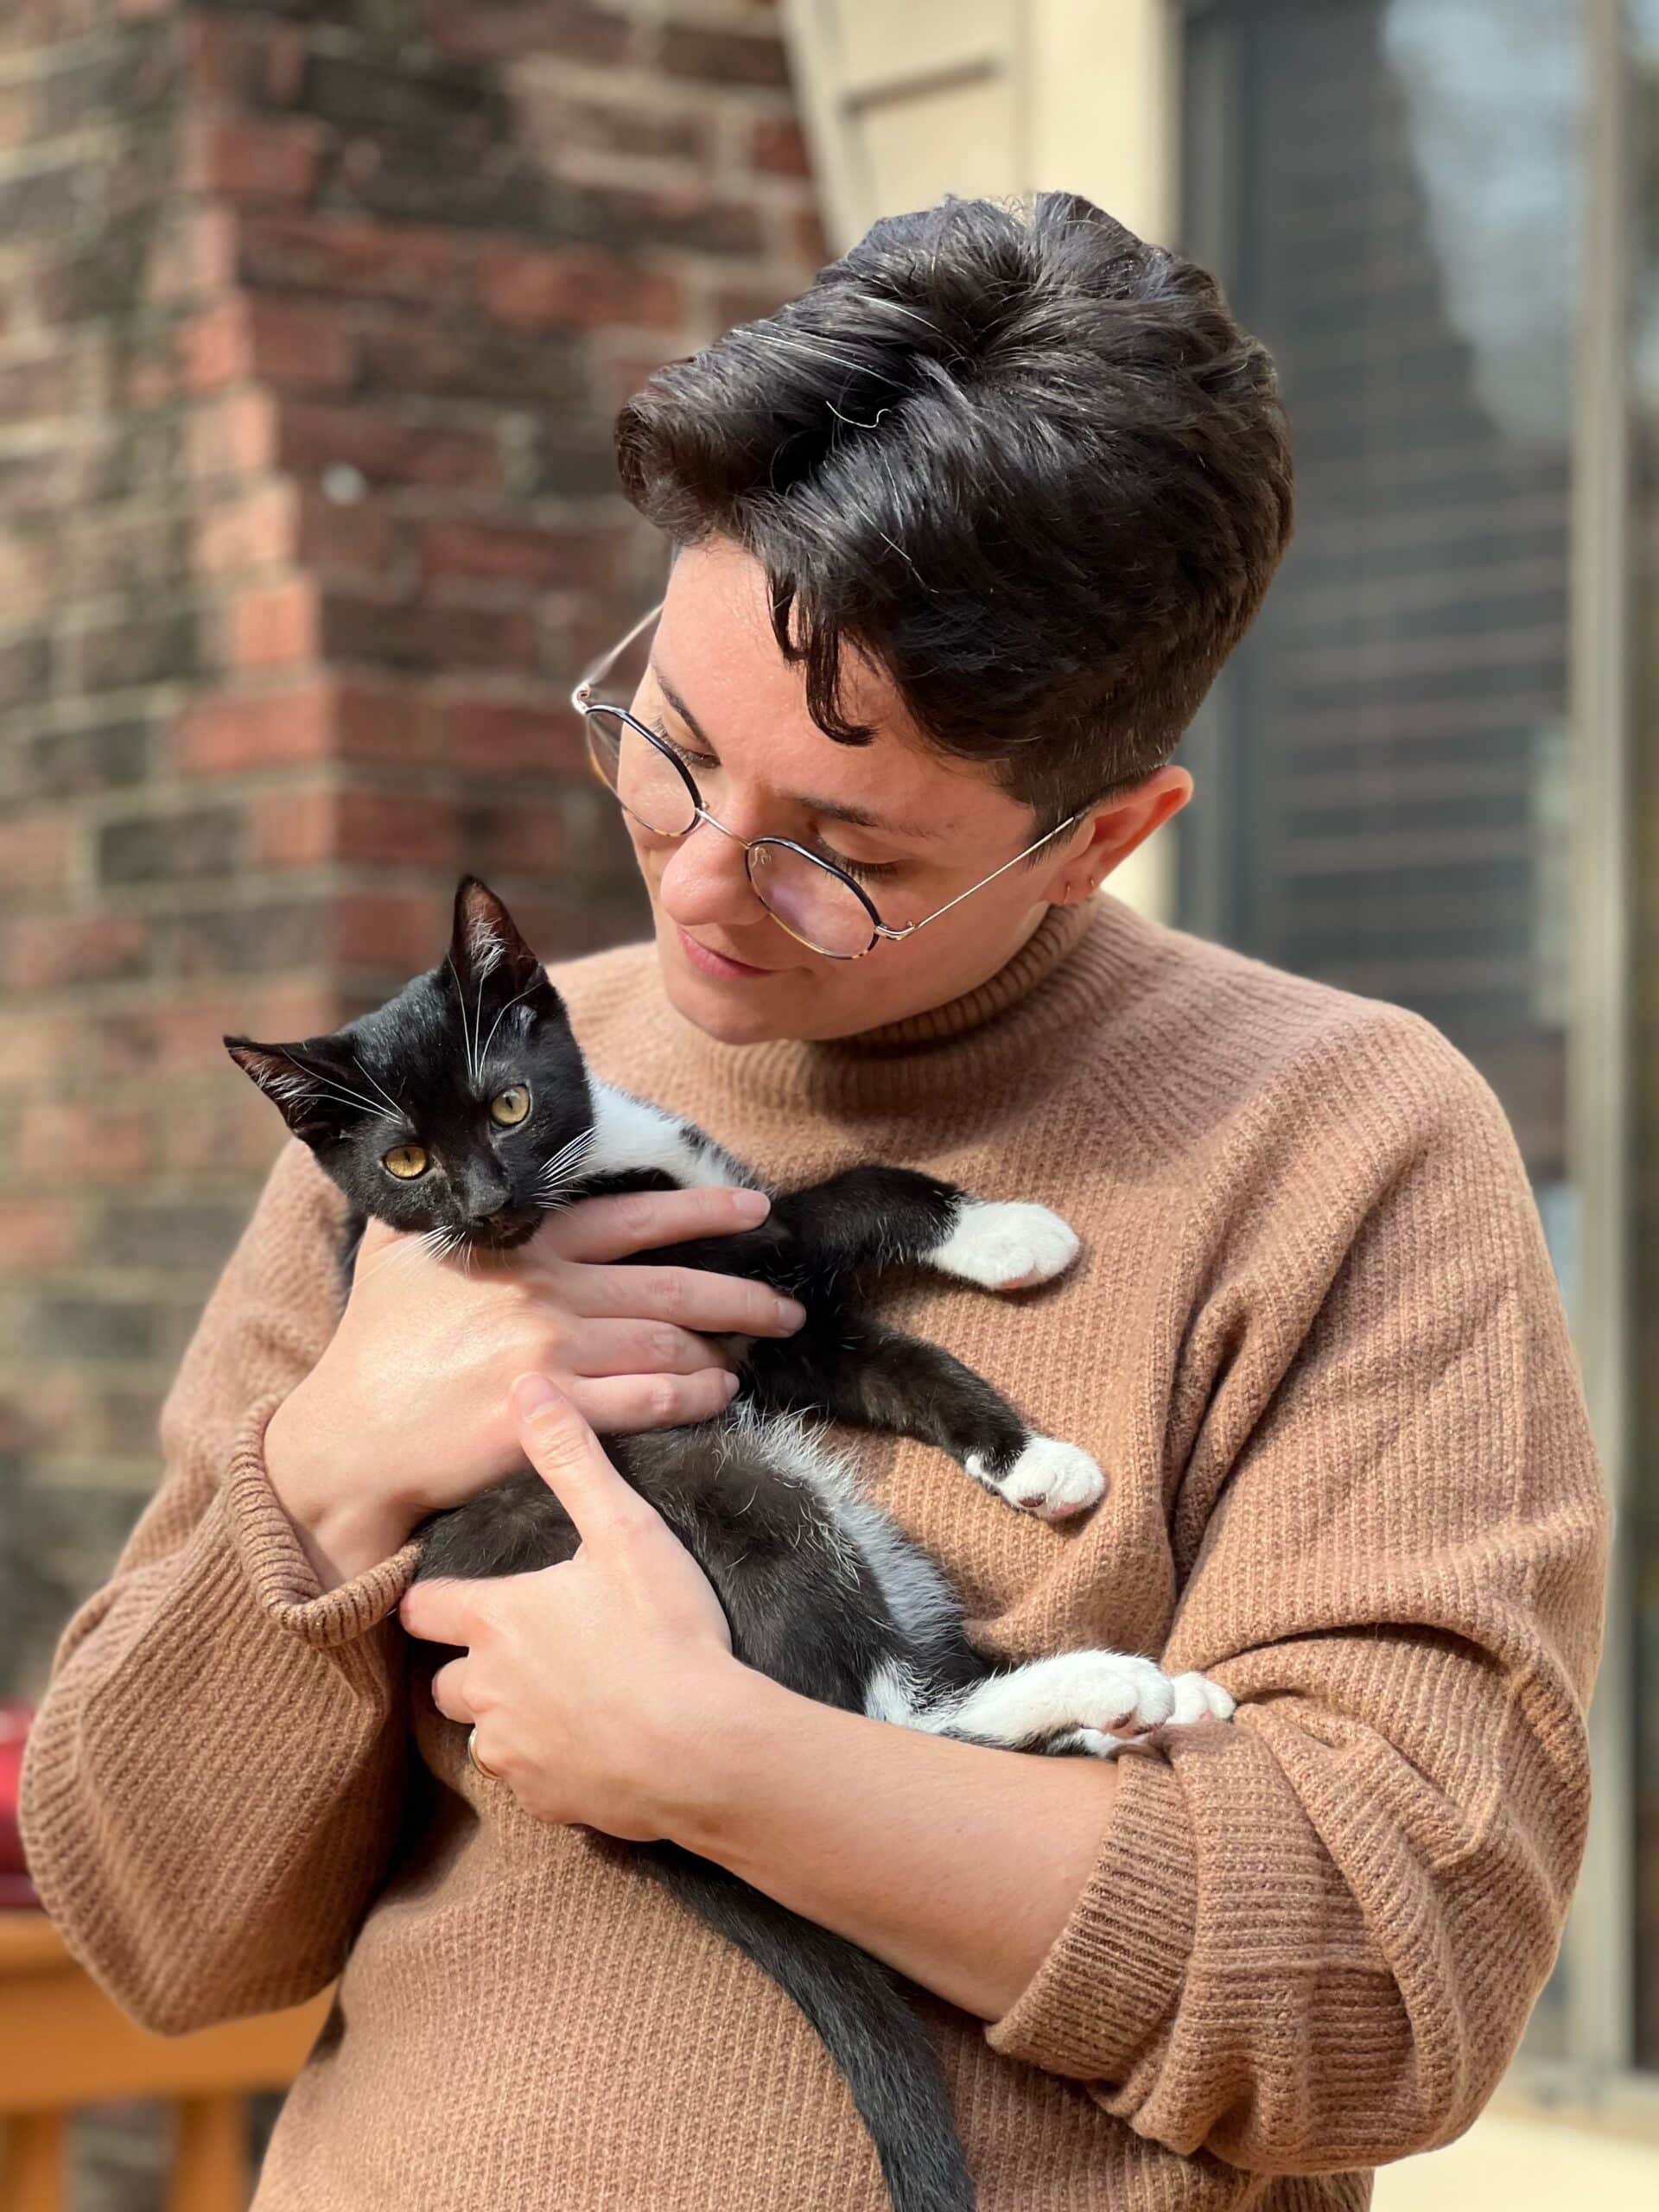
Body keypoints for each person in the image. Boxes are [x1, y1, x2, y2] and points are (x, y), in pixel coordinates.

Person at [20, 193, 1608, 2211]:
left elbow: (1397, 1982)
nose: (694, 878)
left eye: (834, 845)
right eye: (666, 748)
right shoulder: (425, 1132)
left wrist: (737, 1768)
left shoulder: (1347, 1144)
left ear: (1098, 838)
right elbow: (156, 1930)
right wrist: (329, 1462)